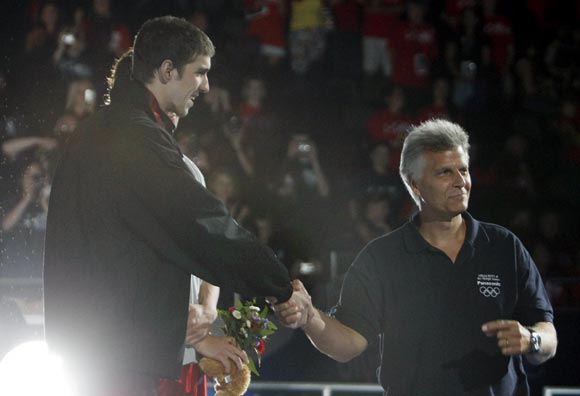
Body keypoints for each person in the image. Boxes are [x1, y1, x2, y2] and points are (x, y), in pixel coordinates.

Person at [43, 16, 293, 396]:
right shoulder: (135, 138)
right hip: (119, 362)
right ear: (166, 70)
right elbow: (203, 225)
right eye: (200, 72)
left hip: (96, 353)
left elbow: (125, 258)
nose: (206, 86)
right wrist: (278, 285)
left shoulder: (99, 131)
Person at [275, 119, 558, 395]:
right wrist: (310, 318)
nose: (461, 181)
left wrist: (531, 339)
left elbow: (548, 335)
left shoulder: (504, 246)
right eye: (445, 172)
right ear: (416, 184)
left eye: (464, 170)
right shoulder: (381, 258)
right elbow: (349, 343)